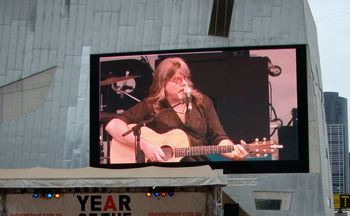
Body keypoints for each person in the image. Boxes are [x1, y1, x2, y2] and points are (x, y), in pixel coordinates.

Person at [105, 57, 248, 163]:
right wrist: (144, 145)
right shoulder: (152, 106)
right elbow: (113, 126)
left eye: (185, 78)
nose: (184, 83)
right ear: (163, 83)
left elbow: (219, 137)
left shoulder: (202, 102)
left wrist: (233, 152)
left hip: (198, 168)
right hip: (163, 175)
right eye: (177, 80)